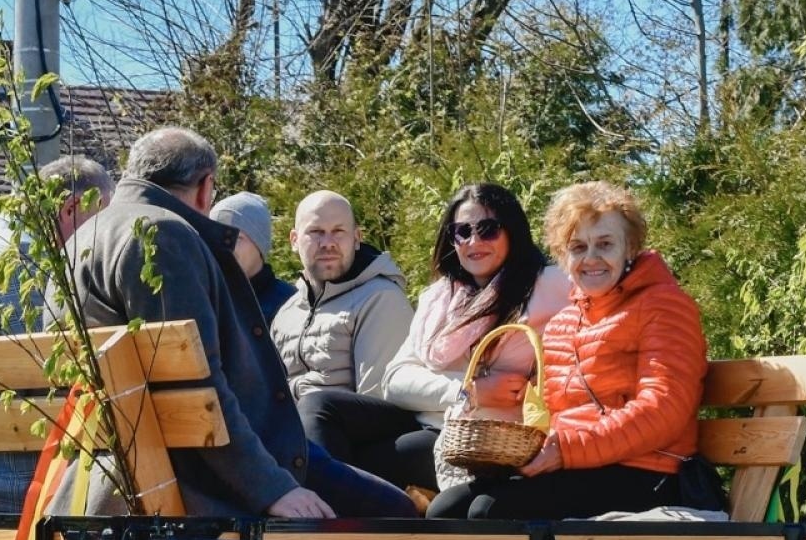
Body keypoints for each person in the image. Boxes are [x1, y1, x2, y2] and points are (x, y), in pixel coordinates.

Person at [60, 126, 415, 518]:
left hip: (112, 460)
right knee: (397, 513)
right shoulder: (163, 235)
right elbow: (197, 387)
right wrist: (272, 489)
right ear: (205, 188)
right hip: (208, 475)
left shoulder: (82, 237)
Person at [427, 181, 707, 519]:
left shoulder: (663, 305)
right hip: (576, 465)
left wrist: (567, 450)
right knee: (446, 509)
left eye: (605, 244)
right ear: (563, 256)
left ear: (629, 248)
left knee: (489, 512)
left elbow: (664, 409)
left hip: (648, 470)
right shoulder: (564, 322)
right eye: (577, 247)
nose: (591, 259)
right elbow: (551, 413)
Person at [298, 183, 570, 491]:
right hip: (428, 419)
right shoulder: (440, 298)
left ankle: (330, 526)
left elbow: (601, 297)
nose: (474, 241)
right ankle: (321, 526)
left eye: (488, 229)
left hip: (489, 437)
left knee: (359, 465)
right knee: (319, 407)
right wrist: (468, 390)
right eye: (462, 231)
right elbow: (396, 380)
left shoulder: (549, 285)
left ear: (513, 232)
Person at [0, 155, 114, 513]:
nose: (102, 235)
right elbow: (61, 376)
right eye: (101, 218)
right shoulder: (29, 263)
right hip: (10, 480)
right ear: (71, 208)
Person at [270, 190, 413, 399]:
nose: (328, 243)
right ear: (294, 240)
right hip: (285, 429)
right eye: (316, 232)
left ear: (356, 238)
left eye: (338, 231)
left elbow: (378, 406)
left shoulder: (380, 299)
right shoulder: (286, 313)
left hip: (345, 428)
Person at [211, 192, 293, 322]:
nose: (225, 247)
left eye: (237, 238)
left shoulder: (291, 305)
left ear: (259, 244)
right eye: (216, 237)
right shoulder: (204, 300)